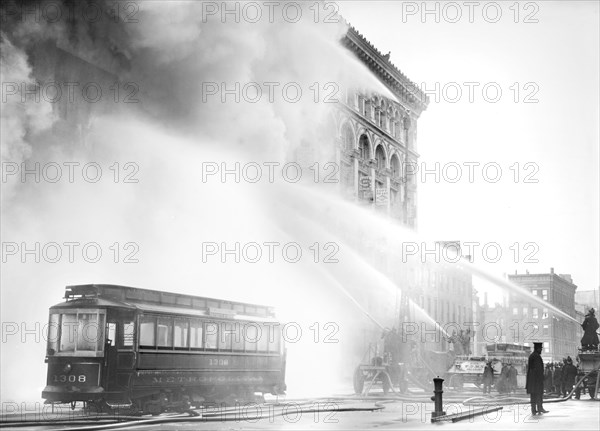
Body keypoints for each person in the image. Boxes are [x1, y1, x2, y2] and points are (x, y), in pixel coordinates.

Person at [526, 342, 547, 415]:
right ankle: (539, 408)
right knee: (538, 394)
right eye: (540, 349)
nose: (541, 350)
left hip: (532, 380)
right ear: (537, 349)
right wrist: (542, 378)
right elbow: (539, 370)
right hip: (536, 381)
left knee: (533, 395)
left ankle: (534, 410)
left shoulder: (532, 356)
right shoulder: (536, 357)